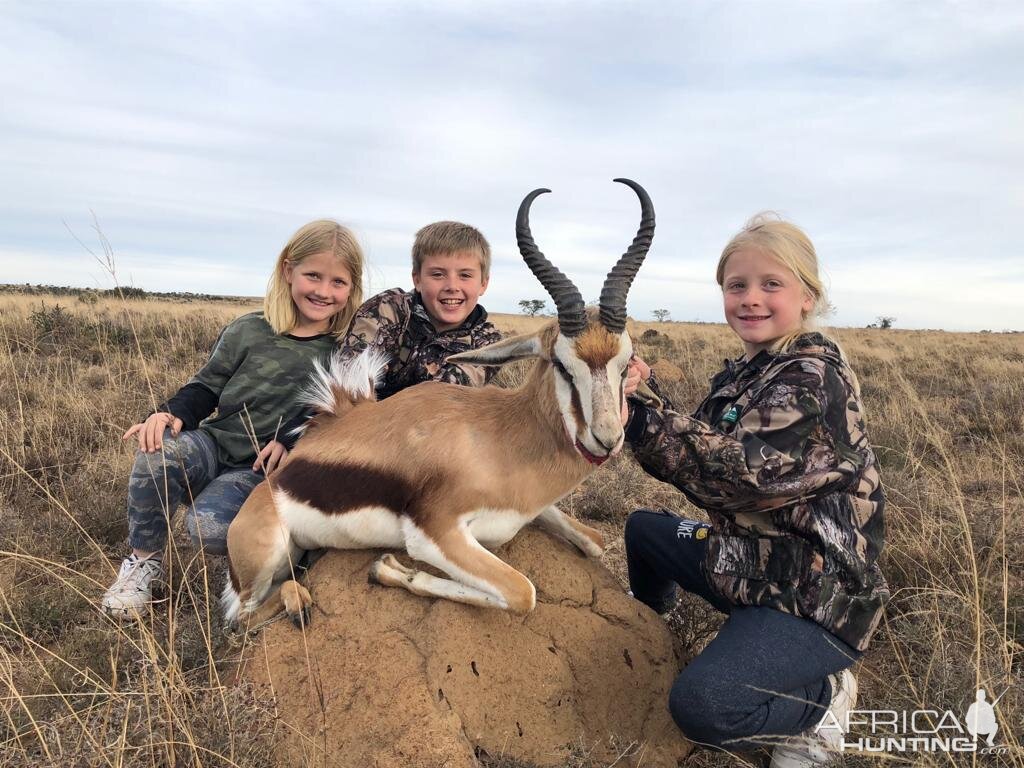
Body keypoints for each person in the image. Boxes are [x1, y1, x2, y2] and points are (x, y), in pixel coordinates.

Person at [620, 213, 888, 767]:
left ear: (808, 296)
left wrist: (636, 419)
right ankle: (648, 635)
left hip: (816, 593)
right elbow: (701, 439)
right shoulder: (747, 372)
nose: (751, 299)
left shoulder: (812, 378)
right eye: (736, 285)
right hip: (747, 562)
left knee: (704, 707)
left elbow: (740, 478)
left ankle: (821, 701)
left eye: (772, 285)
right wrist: (641, 392)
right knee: (644, 530)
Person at [101, 220, 365, 617]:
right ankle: (142, 564)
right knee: (157, 453)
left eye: (338, 282)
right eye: (313, 275)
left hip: (260, 470)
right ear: (288, 270)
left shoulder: (344, 351)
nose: (323, 291)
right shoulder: (248, 330)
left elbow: (331, 419)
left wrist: (292, 445)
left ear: (351, 288)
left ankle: (258, 570)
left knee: (207, 528)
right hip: (214, 444)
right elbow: (206, 387)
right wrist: (169, 413)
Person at [339, 220, 501, 397]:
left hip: (433, 419)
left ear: (483, 284)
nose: (452, 286)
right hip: (369, 418)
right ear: (417, 279)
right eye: (438, 274)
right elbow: (350, 384)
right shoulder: (389, 309)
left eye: (465, 275)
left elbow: (441, 398)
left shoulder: (488, 344)